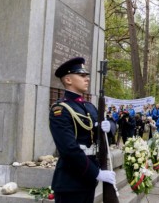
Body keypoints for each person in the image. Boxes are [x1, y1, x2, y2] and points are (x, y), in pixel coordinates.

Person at [49, 57, 116, 202]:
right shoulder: (61, 109)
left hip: (88, 181)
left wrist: (109, 127)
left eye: (87, 76)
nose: (87, 79)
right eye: (82, 75)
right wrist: (96, 173)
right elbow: (69, 149)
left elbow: (110, 123)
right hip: (71, 182)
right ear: (68, 80)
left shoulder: (89, 107)